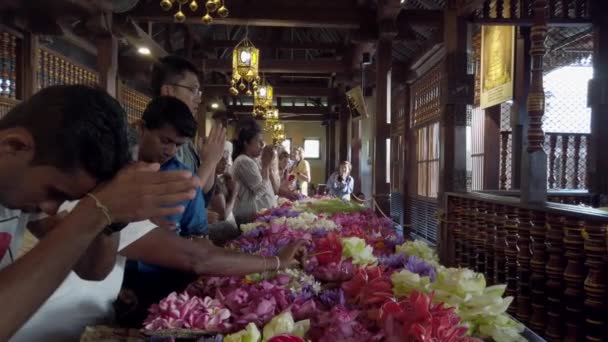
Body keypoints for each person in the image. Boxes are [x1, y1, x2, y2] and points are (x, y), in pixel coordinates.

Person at [0, 85, 200, 340]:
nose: (52, 208)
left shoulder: (21, 186)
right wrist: (95, 210)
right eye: (53, 191)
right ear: (14, 145)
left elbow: (92, 270)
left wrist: (112, 220)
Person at [232, 119, 278, 224]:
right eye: (258, 141)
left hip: (257, 216)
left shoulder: (252, 160)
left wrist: (268, 165)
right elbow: (260, 192)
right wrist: (265, 166)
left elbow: (274, 189)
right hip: (249, 218)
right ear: (246, 143)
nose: (262, 144)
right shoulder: (244, 161)